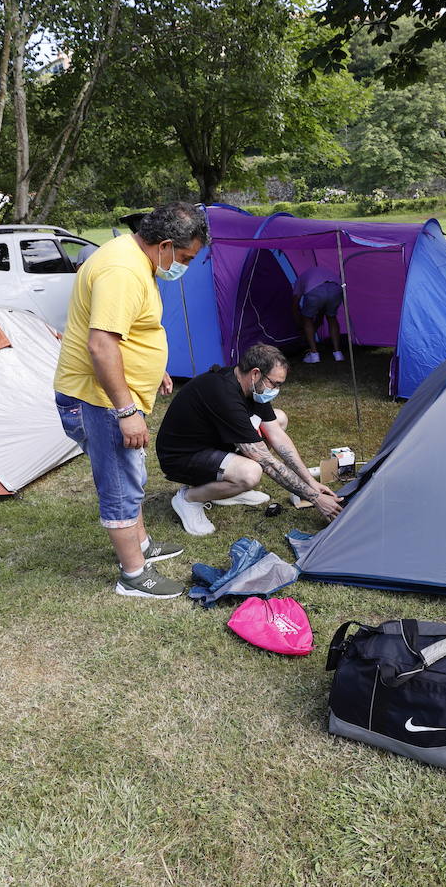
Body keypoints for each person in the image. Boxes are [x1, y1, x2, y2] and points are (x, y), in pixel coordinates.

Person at [53, 201, 210, 599]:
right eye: (186, 258)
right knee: (121, 483)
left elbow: (129, 329)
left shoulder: (135, 258)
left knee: (131, 475)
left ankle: (141, 546)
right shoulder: (122, 270)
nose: (185, 267)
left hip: (113, 394)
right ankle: (133, 575)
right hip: (101, 399)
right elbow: (102, 345)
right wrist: (125, 410)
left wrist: (151, 367)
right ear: (166, 245)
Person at [157, 344, 343, 535]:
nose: (277, 390)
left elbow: (278, 437)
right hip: (181, 457)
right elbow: (266, 462)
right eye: (275, 384)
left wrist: (311, 482)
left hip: (212, 444)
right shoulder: (223, 394)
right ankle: (189, 499)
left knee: (278, 420)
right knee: (251, 472)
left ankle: (225, 491)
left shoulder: (250, 387)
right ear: (255, 374)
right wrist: (315, 498)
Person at [293, 264, 345, 364]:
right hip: (336, 287)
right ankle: (338, 353)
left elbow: (294, 305)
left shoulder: (299, 280)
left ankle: (314, 354)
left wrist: (299, 323)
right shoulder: (323, 271)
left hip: (315, 290)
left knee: (307, 318)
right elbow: (321, 311)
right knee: (331, 317)